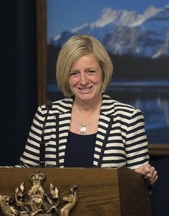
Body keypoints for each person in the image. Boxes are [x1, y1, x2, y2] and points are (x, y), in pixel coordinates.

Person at [17, 34, 158, 186]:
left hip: (110, 210)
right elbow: (25, 172)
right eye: (74, 73)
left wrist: (147, 177)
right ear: (65, 76)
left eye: (90, 71)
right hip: (54, 210)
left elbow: (139, 186)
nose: (83, 81)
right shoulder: (46, 115)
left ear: (103, 72)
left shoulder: (128, 118)